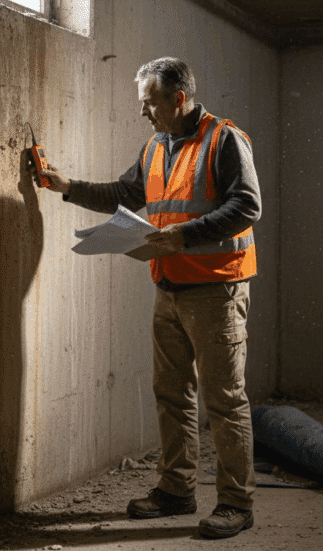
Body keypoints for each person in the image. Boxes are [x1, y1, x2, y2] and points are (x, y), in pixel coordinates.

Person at [36, 56, 261, 539]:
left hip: (216, 290)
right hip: (169, 287)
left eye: (149, 103)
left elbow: (247, 205)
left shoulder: (224, 140)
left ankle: (236, 503)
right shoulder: (156, 147)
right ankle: (177, 489)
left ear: (178, 99)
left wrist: (184, 236)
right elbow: (124, 192)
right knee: (172, 394)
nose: (144, 112)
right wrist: (67, 187)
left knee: (223, 400)